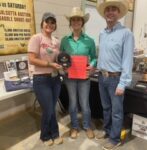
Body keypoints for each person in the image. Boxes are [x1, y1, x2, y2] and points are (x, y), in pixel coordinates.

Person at [96, 0, 134, 149]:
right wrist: (96, 67)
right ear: (104, 13)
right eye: (108, 10)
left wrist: (123, 83)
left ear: (118, 13)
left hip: (115, 79)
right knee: (105, 108)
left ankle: (115, 138)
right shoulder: (102, 33)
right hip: (102, 77)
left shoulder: (126, 33)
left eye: (114, 9)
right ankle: (107, 130)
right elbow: (103, 56)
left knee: (116, 111)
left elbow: (127, 60)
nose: (110, 12)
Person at [60, 7, 97, 139]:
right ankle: (74, 127)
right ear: (70, 23)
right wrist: (63, 66)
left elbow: (94, 58)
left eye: (78, 20)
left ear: (82, 22)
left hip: (84, 77)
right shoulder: (65, 40)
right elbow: (62, 57)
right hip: (69, 77)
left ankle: (87, 126)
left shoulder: (89, 41)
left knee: (85, 103)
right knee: (73, 103)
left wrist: (91, 66)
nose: (76, 22)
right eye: (73, 20)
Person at [28, 12, 63, 146]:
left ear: (55, 25)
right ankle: (45, 135)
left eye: (52, 22)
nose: (49, 24)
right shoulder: (36, 38)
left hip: (55, 78)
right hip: (41, 79)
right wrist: (49, 64)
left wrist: (63, 65)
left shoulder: (56, 41)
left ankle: (55, 133)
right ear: (42, 23)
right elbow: (32, 59)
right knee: (48, 109)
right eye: (47, 22)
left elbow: (58, 59)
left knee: (52, 108)